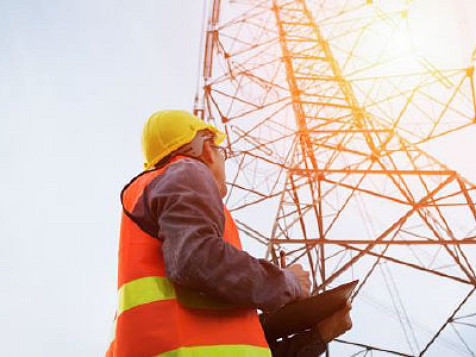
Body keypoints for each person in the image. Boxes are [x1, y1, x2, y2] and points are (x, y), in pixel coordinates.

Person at [106, 110, 352, 356]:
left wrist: (321, 335)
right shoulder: (186, 170)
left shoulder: (160, 196)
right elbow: (197, 259)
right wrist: (286, 282)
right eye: (220, 151)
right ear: (205, 149)